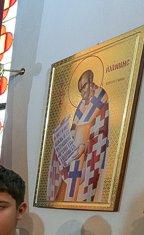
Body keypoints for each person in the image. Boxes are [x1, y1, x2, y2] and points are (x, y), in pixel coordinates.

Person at [47, 69, 109, 203]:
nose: (82, 92)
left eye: (84, 87)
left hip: (90, 160)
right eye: (80, 89)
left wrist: (86, 146)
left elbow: (101, 133)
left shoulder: (101, 99)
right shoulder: (82, 105)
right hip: (75, 159)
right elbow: (75, 128)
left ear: (91, 82)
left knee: (79, 195)